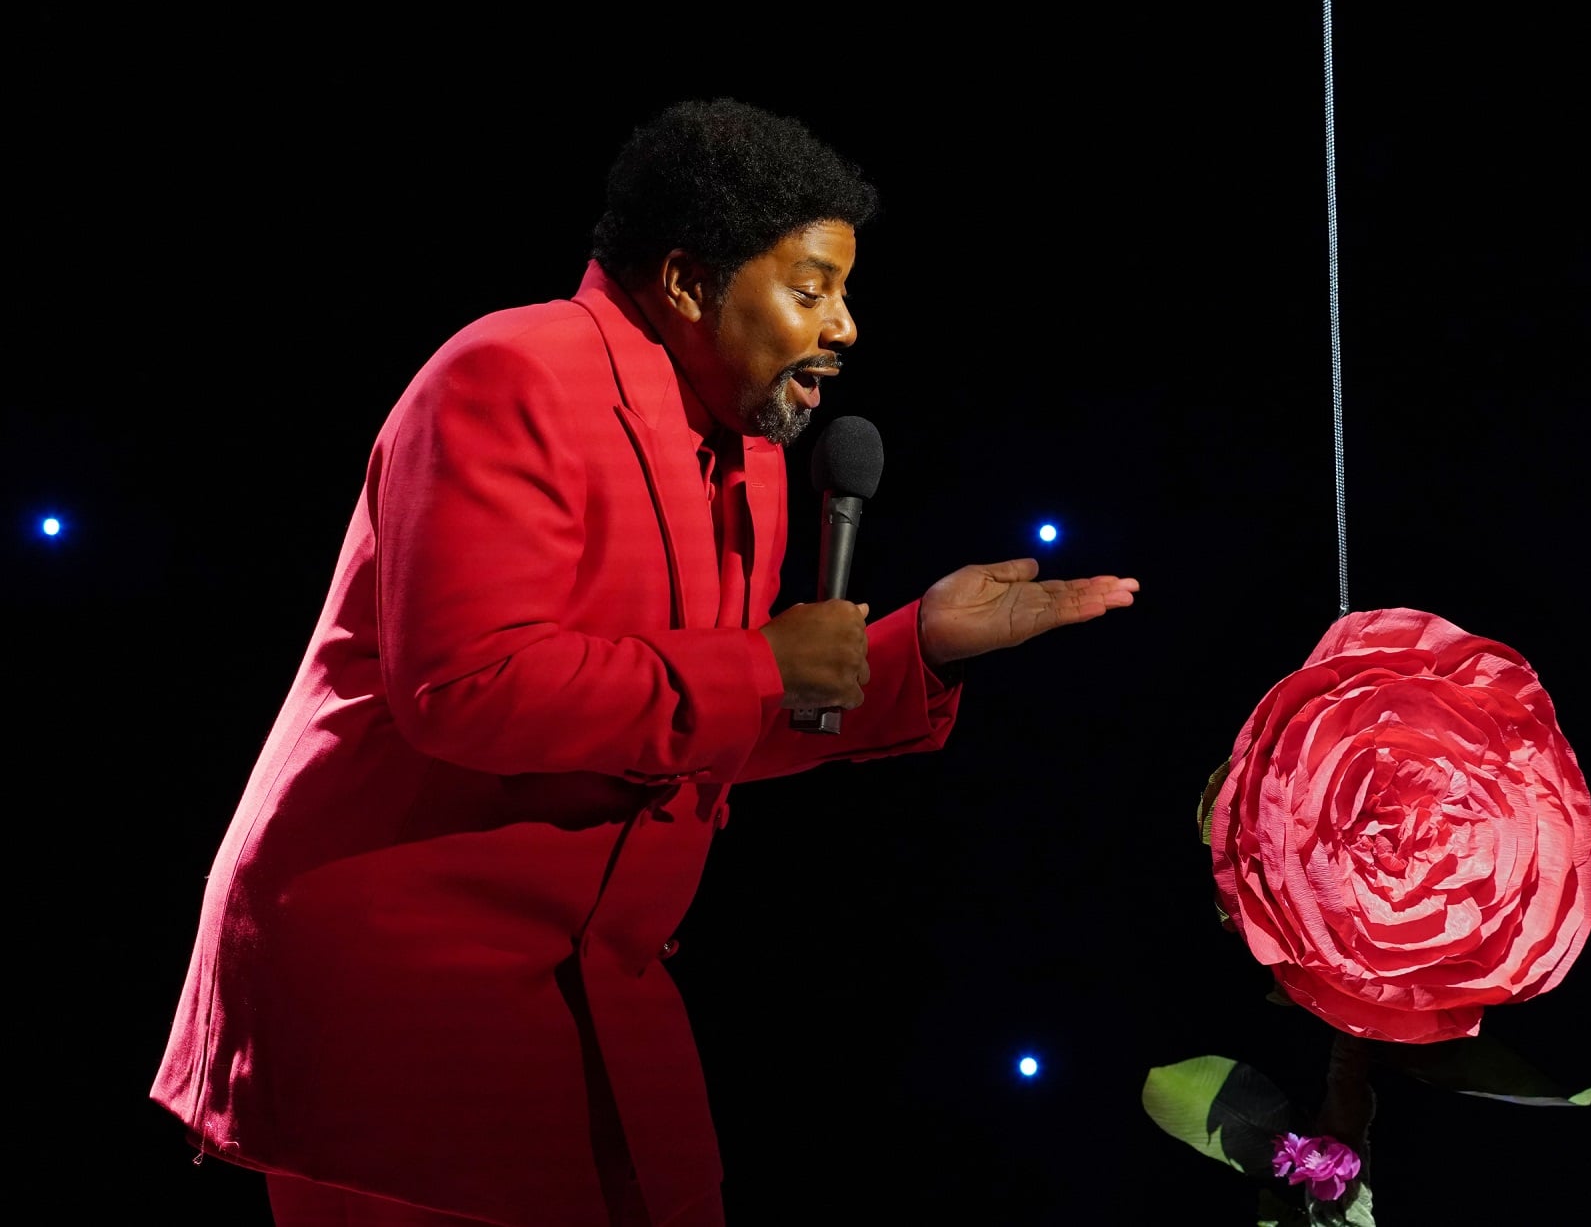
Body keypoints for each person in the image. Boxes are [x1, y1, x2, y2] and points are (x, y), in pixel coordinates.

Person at [149, 96, 1139, 1227]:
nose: (846, 326)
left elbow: (691, 720)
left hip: (587, 972)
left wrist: (912, 648)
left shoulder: (752, 452)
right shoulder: (508, 374)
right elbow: (464, 688)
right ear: (686, 282)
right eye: (810, 289)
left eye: (843, 293)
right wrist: (765, 667)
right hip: (400, 969)